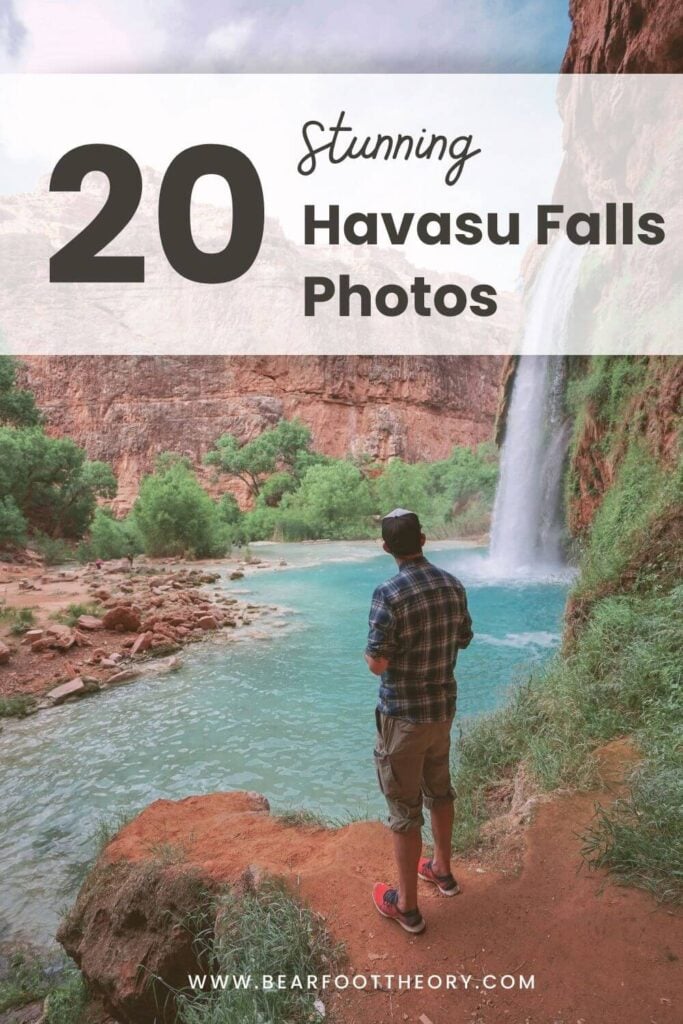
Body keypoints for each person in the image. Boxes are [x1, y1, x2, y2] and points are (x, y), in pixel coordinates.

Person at [365, 508, 473, 934]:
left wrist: (373, 656)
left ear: (387, 547)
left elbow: (377, 663)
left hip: (403, 718)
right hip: (442, 711)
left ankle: (407, 907)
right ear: (424, 539)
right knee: (440, 791)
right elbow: (463, 638)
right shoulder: (452, 584)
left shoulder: (387, 593)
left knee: (404, 810)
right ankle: (442, 871)